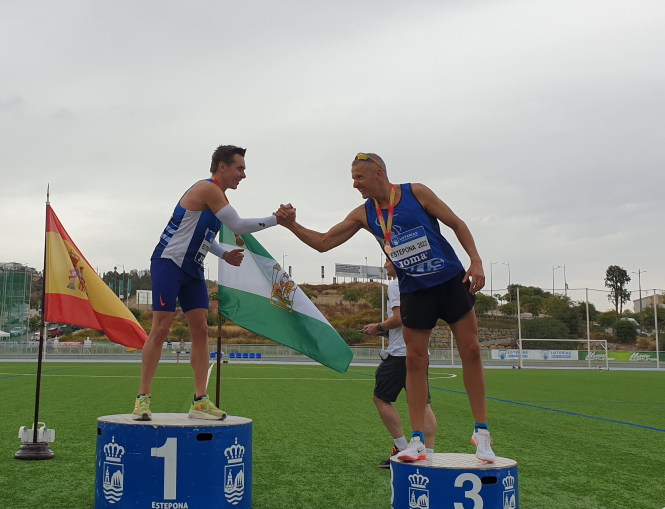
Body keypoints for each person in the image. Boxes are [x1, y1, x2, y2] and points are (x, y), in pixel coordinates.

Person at [277, 152, 497, 462]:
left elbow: (456, 223)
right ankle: (417, 439)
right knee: (415, 362)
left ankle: (482, 432)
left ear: (378, 173)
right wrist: (291, 226)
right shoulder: (364, 214)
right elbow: (325, 242)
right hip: (414, 291)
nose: (355, 185)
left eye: (359, 178)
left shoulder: (416, 192)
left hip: (449, 280)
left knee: (472, 350)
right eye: (353, 179)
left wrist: (475, 260)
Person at [134, 145, 288, 420]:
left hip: (193, 269)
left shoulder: (217, 198)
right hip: (168, 263)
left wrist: (223, 253)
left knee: (202, 330)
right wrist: (278, 219)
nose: (243, 174)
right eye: (239, 168)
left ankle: (199, 401)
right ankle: (142, 399)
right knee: (161, 328)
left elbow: (203, 236)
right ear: (222, 167)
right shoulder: (208, 189)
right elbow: (239, 226)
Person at [365, 258, 437, 468]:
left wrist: (378, 327)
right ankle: (428, 456)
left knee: (380, 398)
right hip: (419, 350)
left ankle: (401, 447)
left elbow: (399, 318)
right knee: (422, 403)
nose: (385, 266)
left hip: (400, 355)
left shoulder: (396, 284)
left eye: (387, 262)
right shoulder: (418, 284)